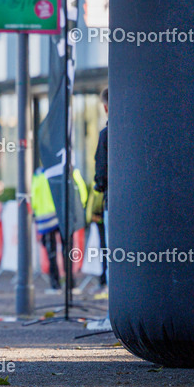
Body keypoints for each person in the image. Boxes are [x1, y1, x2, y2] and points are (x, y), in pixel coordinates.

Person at [93, 87, 109, 289]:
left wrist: (99, 185)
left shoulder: (106, 135)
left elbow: (101, 172)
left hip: (112, 202)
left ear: (105, 108)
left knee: (112, 252)